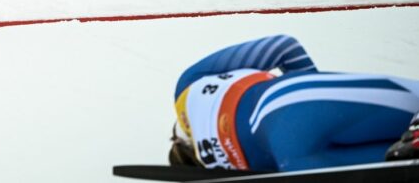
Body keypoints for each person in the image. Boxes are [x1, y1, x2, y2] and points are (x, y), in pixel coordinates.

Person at [168, 34, 419, 172]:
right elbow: (284, 47)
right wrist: (313, 87)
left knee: (401, 161)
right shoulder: (186, 88)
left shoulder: (226, 170)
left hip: (293, 164)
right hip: (289, 100)